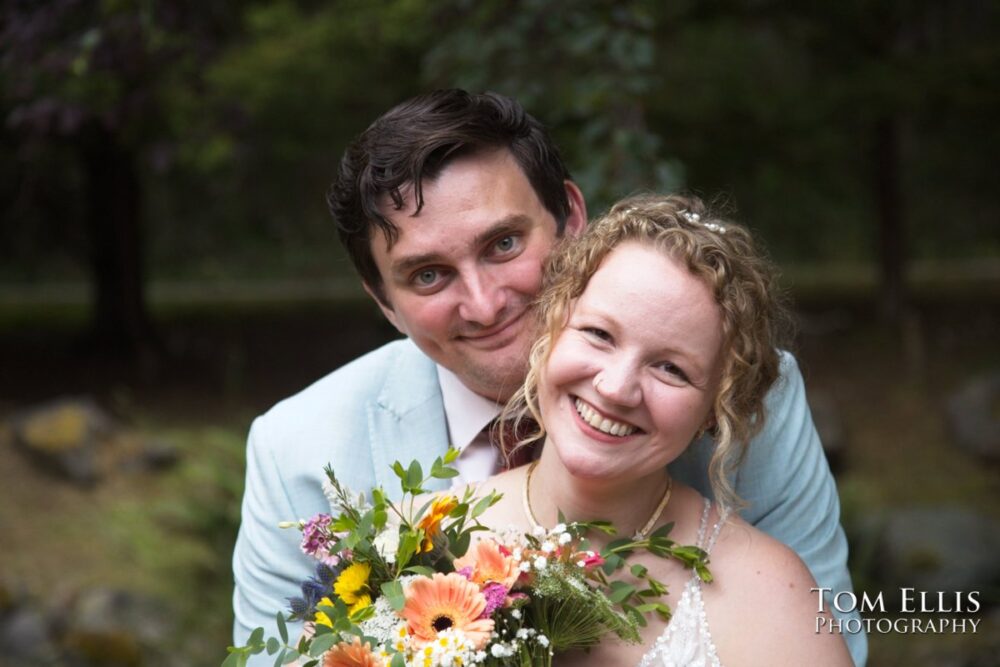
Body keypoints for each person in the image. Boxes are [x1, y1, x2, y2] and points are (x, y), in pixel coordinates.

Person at [231, 90, 866, 664]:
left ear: (569, 218)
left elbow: (825, 630)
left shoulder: (750, 391)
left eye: (503, 244)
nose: (484, 304)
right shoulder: (299, 452)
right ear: (382, 300)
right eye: (427, 275)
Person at [475, 194, 852, 665]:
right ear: (551, 328)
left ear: (716, 409)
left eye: (671, 368)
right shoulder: (418, 544)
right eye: (599, 334)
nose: (615, 388)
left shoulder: (772, 594)